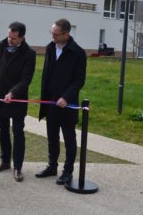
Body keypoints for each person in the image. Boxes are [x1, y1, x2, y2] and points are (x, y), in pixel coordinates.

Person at [35, 18, 87, 185]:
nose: (53, 36)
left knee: (69, 139)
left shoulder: (78, 53)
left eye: (56, 34)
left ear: (66, 34)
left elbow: (79, 80)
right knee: (52, 137)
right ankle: (52, 166)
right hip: (51, 102)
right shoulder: (50, 48)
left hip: (67, 103)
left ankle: (68, 171)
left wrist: (66, 97)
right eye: (51, 33)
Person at [0, 22, 36, 182]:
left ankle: (17, 167)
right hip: (0, 97)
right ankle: (5, 161)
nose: (10, 40)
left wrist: (13, 93)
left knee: (18, 133)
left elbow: (26, 79)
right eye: (9, 36)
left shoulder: (30, 53)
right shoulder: (0, 46)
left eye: (14, 38)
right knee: (2, 130)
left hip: (17, 99)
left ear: (22, 37)